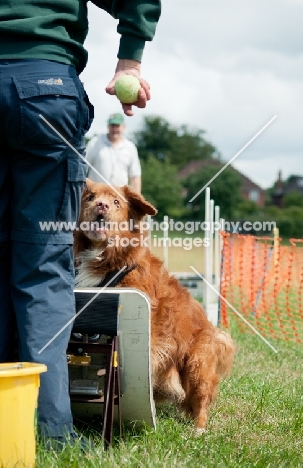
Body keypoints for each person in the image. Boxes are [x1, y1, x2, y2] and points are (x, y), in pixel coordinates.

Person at [0, 0, 161, 451]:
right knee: (44, 267)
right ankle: (51, 433)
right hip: (44, 83)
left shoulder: (126, 157)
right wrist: (129, 56)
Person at [87, 113, 142, 192]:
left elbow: (135, 176)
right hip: (96, 194)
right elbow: (83, 166)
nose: (114, 129)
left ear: (123, 127)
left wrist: (136, 200)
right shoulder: (95, 142)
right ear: (108, 126)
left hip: (119, 196)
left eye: (117, 126)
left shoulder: (130, 147)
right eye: (112, 126)